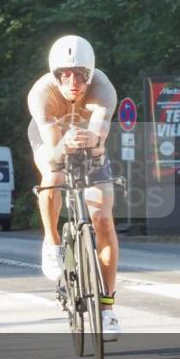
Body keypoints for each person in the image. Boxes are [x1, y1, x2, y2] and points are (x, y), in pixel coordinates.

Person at [27, 35, 121, 339]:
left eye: (81, 74)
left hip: (88, 141)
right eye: (64, 75)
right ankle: (52, 243)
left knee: (104, 219)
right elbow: (54, 153)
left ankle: (107, 308)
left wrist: (92, 141)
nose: (73, 82)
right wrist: (64, 145)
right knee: (52, 178)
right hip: (51, 140)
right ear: (54, 75)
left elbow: (100, 136)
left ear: (91, 73)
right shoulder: (41, 94)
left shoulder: (103, 89)